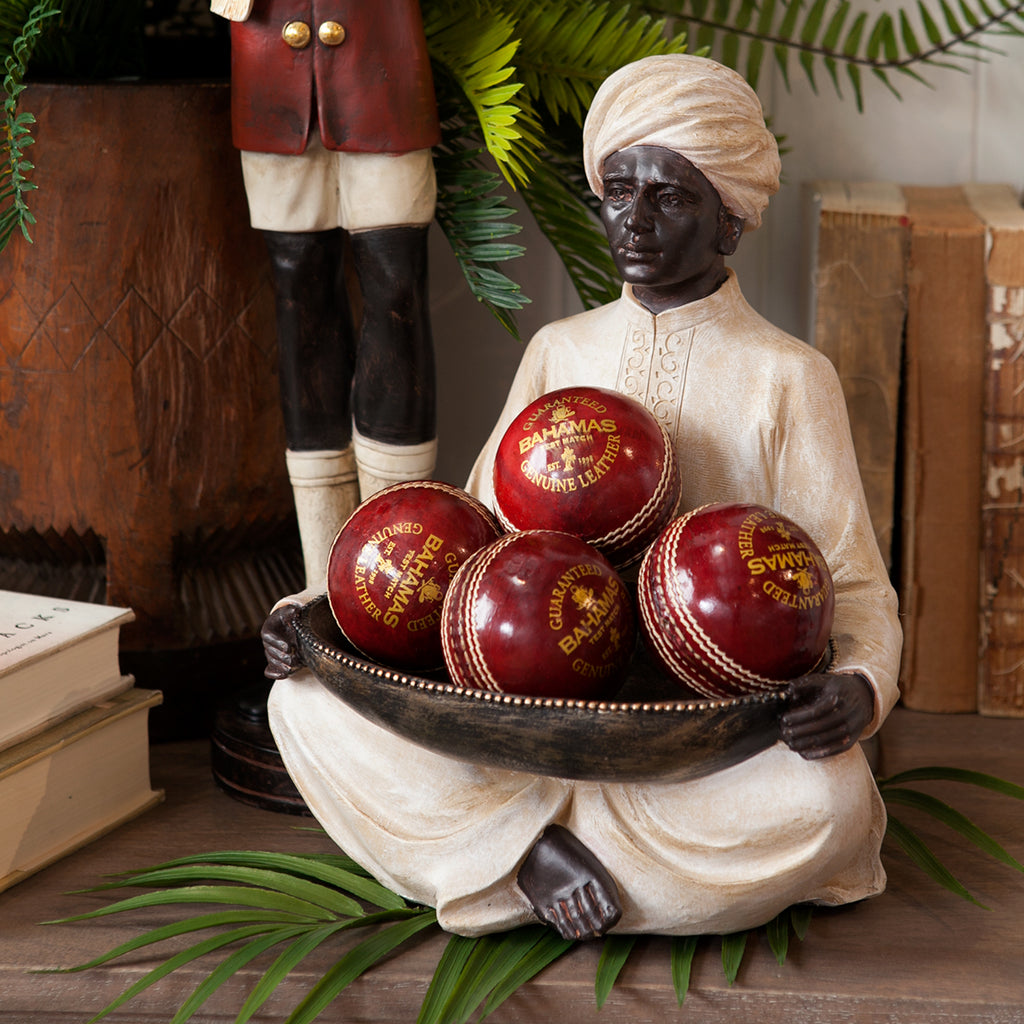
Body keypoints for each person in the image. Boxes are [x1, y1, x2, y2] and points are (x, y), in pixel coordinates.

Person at [263, 54, 903, 941]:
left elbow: (853, 582)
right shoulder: (560, 351)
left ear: (729, 220)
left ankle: (506, 848)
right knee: (303, 705)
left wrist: (861, 686)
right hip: (519, 713)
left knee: (827, 801)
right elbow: (464, 535)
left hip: (694, 743)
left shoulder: (789, 375)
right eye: (618, 191)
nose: (634, 220)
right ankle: (529, 852)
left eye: (670, 197)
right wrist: (316, 611)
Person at [211, 1, 441, 586]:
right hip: (273, 85)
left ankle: (398, 559)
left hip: (382, 82)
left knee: (397, 290)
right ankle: (323, 576)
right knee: (300, 297)